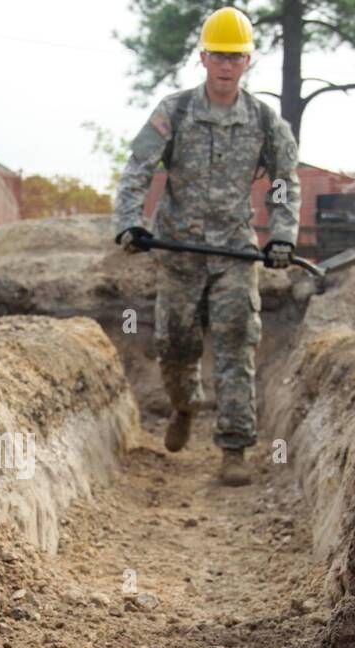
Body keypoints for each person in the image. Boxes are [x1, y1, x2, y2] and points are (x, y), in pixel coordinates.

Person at [113, 6, 300, 486]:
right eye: (218, 54)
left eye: (235, 56)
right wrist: (130, 223)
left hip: (234, 255)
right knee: (175, 346)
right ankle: (184, 406)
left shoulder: (265, 121)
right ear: (202, 57)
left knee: (237, 343)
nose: (225, 64)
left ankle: (234, 447)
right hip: (177, 252)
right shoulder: (173, 111)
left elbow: (285, 183)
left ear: (248, 62)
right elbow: (137, 169)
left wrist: (282, 236)